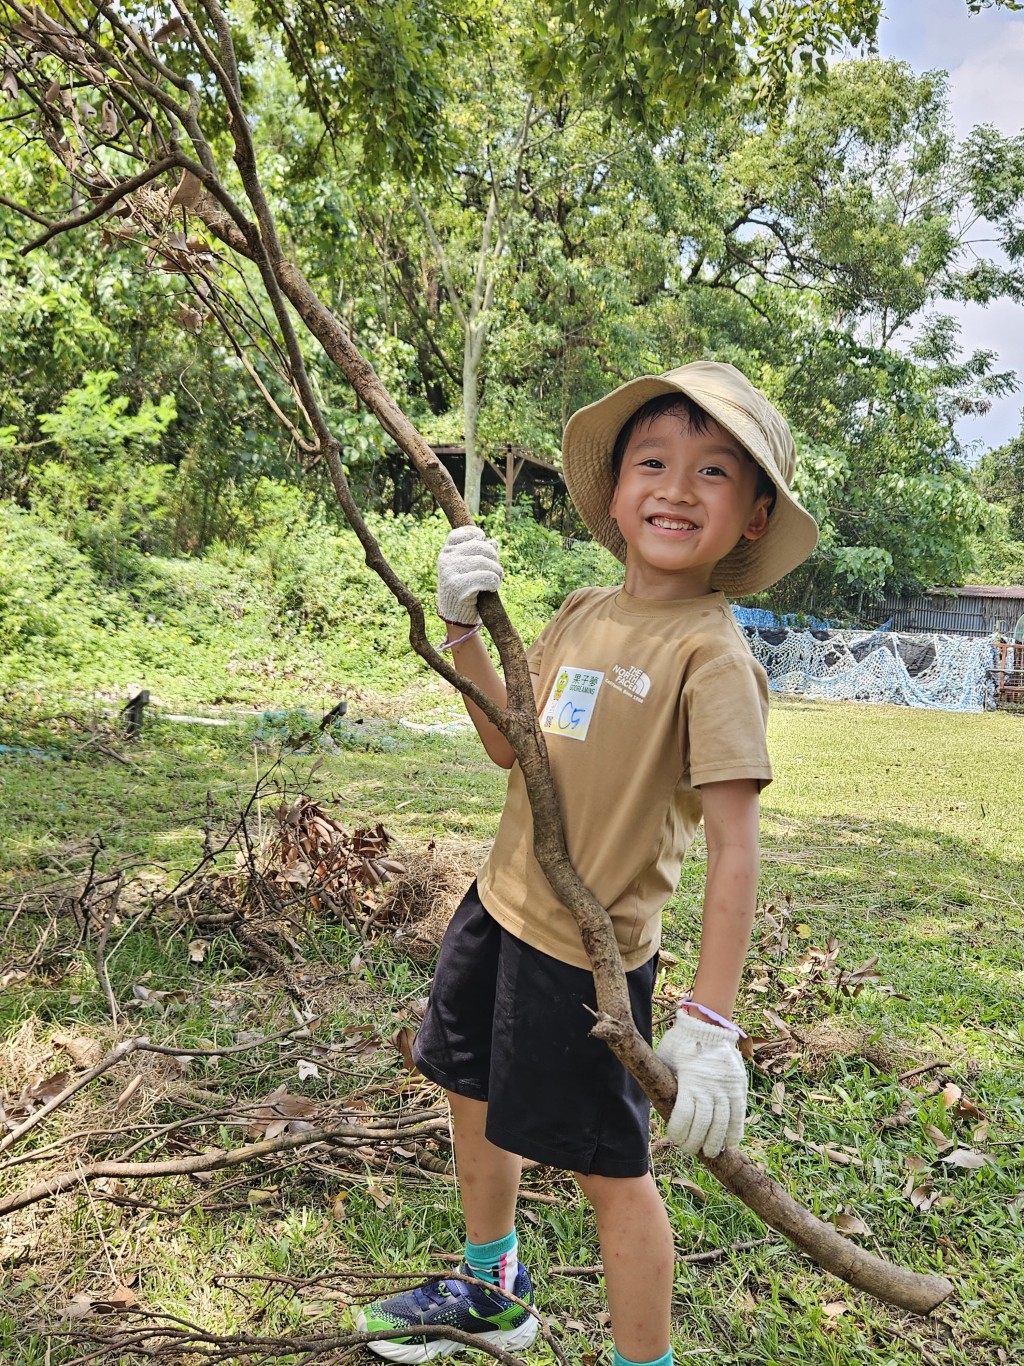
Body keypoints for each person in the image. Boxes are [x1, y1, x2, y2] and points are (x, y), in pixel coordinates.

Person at [357, 362, 819, 1364]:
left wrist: (708, 1019)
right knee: (468, 1093)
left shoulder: (712, 655)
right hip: (498, 906)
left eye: (711, 473)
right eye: (652, 462)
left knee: (612, 1172)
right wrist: (460, 630)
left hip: (591, 963)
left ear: (749, 518)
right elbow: (505, 744)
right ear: (614, 492)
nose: (674, 488)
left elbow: (736, 845)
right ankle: (490, 1288)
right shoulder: (575, 611)